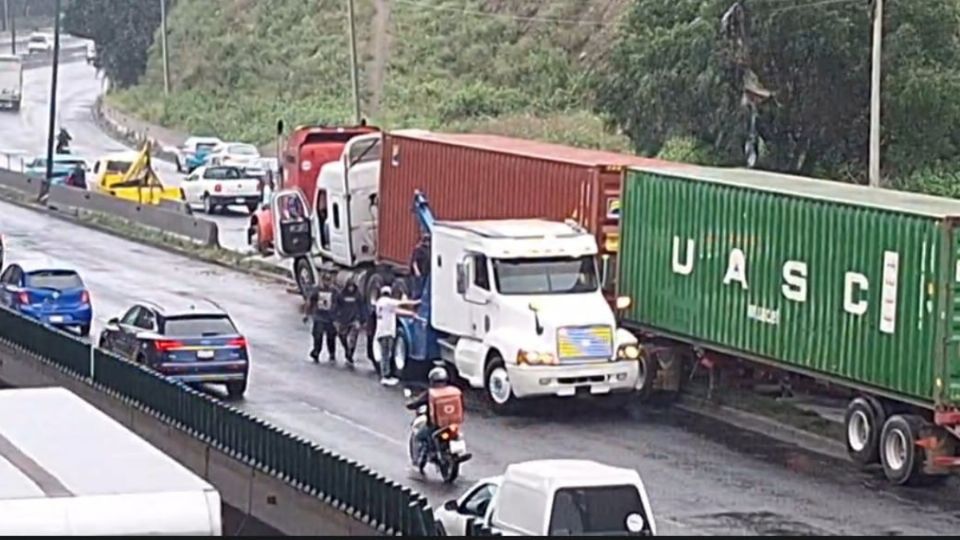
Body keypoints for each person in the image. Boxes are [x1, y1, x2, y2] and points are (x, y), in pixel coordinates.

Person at [405, 367, 458, 472]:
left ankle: (420, 459)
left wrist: (409, 404)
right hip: (451, 424)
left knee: (419, 436)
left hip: (434, 426)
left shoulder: (431, 394)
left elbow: (415, 403)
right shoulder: (452, 392)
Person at [374, 285, 419, 386]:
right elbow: (402, 303)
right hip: (385, 332)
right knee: (385, 354)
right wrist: (417, 302)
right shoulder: (386, 301)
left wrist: (411, 314)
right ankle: (385, 376)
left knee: (386, 353)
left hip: (384, 332)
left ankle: (386, 374)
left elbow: (396, 311)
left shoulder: (382, 303)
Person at [303, 275, 337, 363]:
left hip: (331, 318)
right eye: (325, 280)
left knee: (331, 337)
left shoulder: (334, 291)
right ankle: (316, 352)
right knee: (318, 336)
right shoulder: (316, 290)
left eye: (329, 280)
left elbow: (340, 303)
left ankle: (332, 353)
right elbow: (309, 301)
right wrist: (306, 314)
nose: (327, 283)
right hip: (319, 317)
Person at [333, 281, 363, 366]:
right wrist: (336, 319)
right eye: (349, 287)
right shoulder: (341, 295)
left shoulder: (357, 295)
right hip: (344, 319)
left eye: (352, 287)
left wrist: (362, 319)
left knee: (353, 338)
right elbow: (336, 306)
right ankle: (346, 349)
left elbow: (361, 306)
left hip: (354, 319)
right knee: (342, 335)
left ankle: (350, 354)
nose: (351, 288)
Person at [410, 234, 431, 299]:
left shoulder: (429, 249)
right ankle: (415, 303)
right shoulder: (419, 249)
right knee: (417, 290)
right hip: (419, 273)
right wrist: (417, 271)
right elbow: (414, 261)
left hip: (425, 273)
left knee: (423, 290)